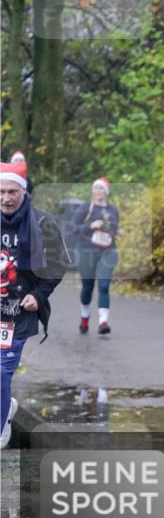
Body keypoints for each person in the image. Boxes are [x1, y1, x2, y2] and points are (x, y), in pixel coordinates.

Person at [1, 162, 69, 448]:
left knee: (2, 371)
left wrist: (38, 295)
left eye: (12, 192)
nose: (6, 198)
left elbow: (58, 265)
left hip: (18, 312)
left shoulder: (42, 224)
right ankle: (6, 407)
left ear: (23, 192)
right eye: (1, 192)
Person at [71, 177, 119, 335]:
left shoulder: (113, 210)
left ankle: (103, 322)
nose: (98, 191)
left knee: (104, 286)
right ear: (92, 191)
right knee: (88, 287)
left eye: (101, 188)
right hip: (86, 251)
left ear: (106, 192)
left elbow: (113, 229)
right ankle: (85, 317)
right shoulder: (85, 207)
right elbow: (73, 228)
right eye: (96, 188)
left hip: (107, 251)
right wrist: (90, 226)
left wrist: (116, 232)